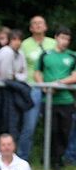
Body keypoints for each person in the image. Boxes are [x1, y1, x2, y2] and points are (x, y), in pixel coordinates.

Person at [34, 27, 76, 170]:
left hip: (66, 100)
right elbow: (37, 72)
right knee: (51, 130)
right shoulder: (46, 54)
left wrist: (59, 83)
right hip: (49, 100)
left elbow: (75, 76)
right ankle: (51, 160)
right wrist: (43, 85)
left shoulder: (72, 56)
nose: (65, 42)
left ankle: (59, 159)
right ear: (56, 38)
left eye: (67, 39)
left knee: (65, 131)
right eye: (62, 38)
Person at [19, 16, 55, 160]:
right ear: (30, 28)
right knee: (29, 126)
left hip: (52, 89)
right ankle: (23, 158)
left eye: (41, 23)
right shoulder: (24, 44)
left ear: (46, 27)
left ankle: (52, 160)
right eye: (34, 23)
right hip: (32, 88)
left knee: (55, 126)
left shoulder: (53, 43)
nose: (38, 26)